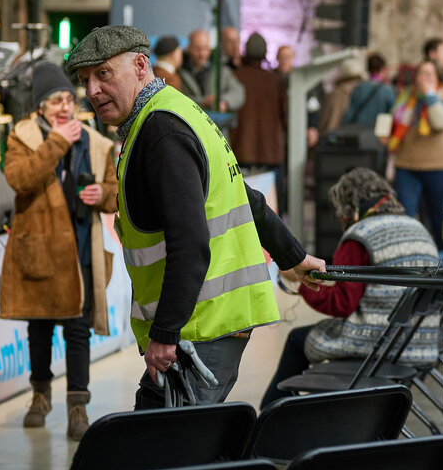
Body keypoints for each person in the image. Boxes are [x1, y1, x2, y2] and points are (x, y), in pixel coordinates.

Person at [64, 25, 326, 409]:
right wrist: (294, 257)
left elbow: (190, 243)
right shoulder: (176, 110)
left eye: (103, 74)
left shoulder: (162, 131)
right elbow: (245, 197)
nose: (92, 91)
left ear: (140, 66)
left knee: (169, 455)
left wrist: (165, 335)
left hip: (199, 329)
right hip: (204, 325)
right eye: (85, 80)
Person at [0, 62, 118, 440]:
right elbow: (19, 180)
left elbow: (117, 192)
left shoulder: (97, 142)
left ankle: (77, 406)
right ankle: (40, 396)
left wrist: (105, 196)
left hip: (81, 249)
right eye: (54, 101)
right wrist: (56, 144)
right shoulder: (23, 137)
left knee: (78, 331)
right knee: (39, 327)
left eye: (68, 98)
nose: (64, 107)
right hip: (40, 252)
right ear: (40, 108)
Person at [261, 168, 441, 407]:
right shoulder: (417, 228)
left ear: (348, 206)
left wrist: (300, 281)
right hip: (421, 343)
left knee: (297, 339)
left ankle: (272, 412)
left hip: (379, 346)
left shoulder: (360, 235)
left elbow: (342, 303)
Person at [385, 59, 443, 247]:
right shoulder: (406, 96)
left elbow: (440, 123)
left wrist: (430, 96)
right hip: (406, 164)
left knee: (439, 217)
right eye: (421, 73)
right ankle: (406, 253)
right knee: (404, 215)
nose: (424, 78)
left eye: (429, 74)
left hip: (437, 166)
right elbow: (394, 120)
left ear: (437, 78)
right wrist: (386, 134)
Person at [232, 33, 285, 167]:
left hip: (241, 149)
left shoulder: (236, 77)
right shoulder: (274, 80)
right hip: (270, 151)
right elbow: (285, 114)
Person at [179, 29, 246, 112]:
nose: (202, 54)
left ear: (210, 49)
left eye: (205, 48)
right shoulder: (179, 70)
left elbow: (238, 92)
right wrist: (203, 102)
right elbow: (177, 98)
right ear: (189, 48)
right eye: (197, 49)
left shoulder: (221, 69)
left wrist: (224, 101)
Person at [342, 53, 396, 127]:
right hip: (376, 132)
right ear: (383, 69)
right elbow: (392, 113)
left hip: (357, 130)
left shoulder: (358, 87)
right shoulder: (387, 90)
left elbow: (349, 112)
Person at [318, 57, 366, 135]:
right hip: (362, 139)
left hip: (335, 138)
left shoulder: (336, 93)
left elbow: (325, 120)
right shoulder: (366, 91)